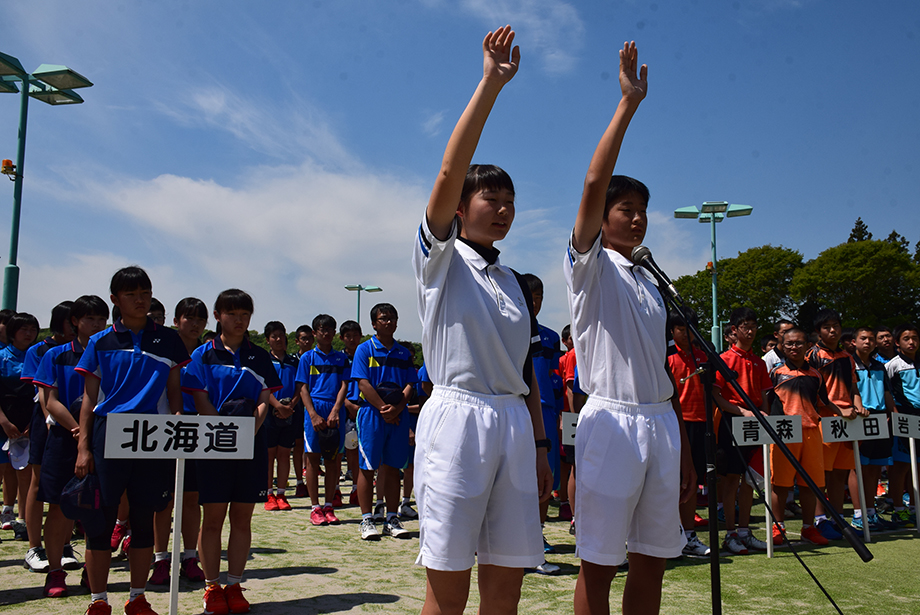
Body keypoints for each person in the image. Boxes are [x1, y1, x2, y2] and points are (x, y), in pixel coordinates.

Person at [411, 25, 552, 615]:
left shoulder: (514, 282)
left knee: (508, 574)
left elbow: (523, 372)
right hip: (458, 418)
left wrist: (541, 445)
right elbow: (448, 172)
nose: (502, 209)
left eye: (510, 201)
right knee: (449, 576)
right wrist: (490, 85)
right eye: (490, 199)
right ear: (462, 208)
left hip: (513, 424)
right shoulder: (441, 261)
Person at [564, 41, 694, 615]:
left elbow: (661, 369)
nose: (637, 217)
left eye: (643, 209)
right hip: (611, 420)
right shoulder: (589, 264)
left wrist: (684, 448)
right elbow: (594, 184)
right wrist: (628, 105)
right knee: (599, 564)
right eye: (626, 209)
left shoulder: (648, 275)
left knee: (654, 560)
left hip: (661, 420)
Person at [75, 266, 190, 615]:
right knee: (100, 522)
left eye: (145, 293)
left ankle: (136, 597)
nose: (140, 300)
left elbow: (174, 393)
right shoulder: (100, 342)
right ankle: (98, 601)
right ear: (116, 300)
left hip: (153, 438)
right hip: (108, 433)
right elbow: (89, 399)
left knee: (143, 520)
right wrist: (83, 447)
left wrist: (178, 425)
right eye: (131, 295)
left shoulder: (169, 339)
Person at [183, 289, 281, 615]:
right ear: (218, 316)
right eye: (232, 314)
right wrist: (223, 434)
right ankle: (212, 587)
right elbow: (200, 400)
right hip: (213, 446)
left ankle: (235, 584)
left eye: (245, 315)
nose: (239, 321)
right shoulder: (202, 355)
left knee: (242, 519)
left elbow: (265, 398)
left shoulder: (260, 356)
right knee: (212, 520)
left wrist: (249, 431)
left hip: (250, 444)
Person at [34, 295, 109, 596]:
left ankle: (93, 571)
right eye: (89, 318)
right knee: (59, 508)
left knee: (99, 510)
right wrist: (78, 429)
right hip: (65, 439)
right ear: (74, 322)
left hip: (103, 441)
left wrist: (91, 433)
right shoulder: (56, 355)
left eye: (101, 319)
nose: (96, 324)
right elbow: (49, 400)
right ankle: (55, 572)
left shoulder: (112, 355)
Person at [768, 327, 848, 546]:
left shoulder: (815, 374)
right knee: (780, 484)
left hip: (812, 432)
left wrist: (846, 412)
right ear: (782, 346)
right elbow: (766, 404)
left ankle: (808, 528)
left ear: (807, 346)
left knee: (810, 484)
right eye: (789, 344)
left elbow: (824, 402)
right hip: (784, 433)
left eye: (799, 343)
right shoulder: (775, 372)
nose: (794, 347)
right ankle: (778, 527)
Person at [150, 298, 209, 585]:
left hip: (196, 433)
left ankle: (189, 557)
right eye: (189, 318)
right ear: (176, 321)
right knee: (163, 501)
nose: (195, 324)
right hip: (164, 432)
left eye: (201, 319)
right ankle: (160, 560)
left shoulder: (205, 354)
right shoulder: (161, 349)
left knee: (191, 499)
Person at [351, 303, 417, 541]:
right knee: (368, 467)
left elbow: (410, 384)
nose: (388, 322)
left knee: (391, 468)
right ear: (374, 323)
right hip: (371, 414)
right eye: (383, 318)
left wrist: (398, 408)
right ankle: (367, 518)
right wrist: (382, 408)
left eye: (392, 318)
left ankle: (391, 517)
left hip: (398, 417)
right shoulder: (364, 349)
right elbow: (362, 383)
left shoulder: (403, 353)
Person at [711, 307, 771, 555]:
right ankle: (730, 533)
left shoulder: (758, 361)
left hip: (756, 423)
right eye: (745, 327)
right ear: (733, 330)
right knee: (731, 479)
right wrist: (741, 412)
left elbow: (765, 394)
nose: (750, 331)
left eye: (754, 326)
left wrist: (763, 415)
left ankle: (745, 531)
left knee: (751, 480)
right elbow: (716, 395)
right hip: (731, 422)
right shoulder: (723, 360)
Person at [22, 301, 74, 573]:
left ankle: (65, 545)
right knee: (38, 482)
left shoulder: (90, 351)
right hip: (49, 424)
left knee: (70, 488)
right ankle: (34, 547)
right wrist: (52, 421)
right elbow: (42, 394)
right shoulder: (40, 350)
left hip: (75, 424)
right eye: (71, 320)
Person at [805, 308, 867, 539]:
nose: (833, 330)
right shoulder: (813, 355)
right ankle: (820, 519)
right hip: (826, 419)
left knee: (840, 473)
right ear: (818, 331)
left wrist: (857, 404)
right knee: (821, 473)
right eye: (827, 327)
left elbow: (854, 387)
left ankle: (837, 518)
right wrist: (838, 409)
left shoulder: (847, 357)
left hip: (848, 419)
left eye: (836, 326)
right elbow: (815, 393)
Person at [295, 314, 349, 527]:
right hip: (315, 410)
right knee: (313, 460)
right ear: (315, 332)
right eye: (322, 329)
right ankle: (315, 507)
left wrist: (336, 410)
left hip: (335, 411)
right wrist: (313, 414)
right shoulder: (307, 358)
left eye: (330, 329)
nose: (326, 333)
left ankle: (329, 505)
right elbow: (302, 387)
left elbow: (345, 385)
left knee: (333, 460)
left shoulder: (342, 358)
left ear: (334, 333)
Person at [666, 310, 711, 557]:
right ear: (671, 332)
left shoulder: (703, 356)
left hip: (701, 423)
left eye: (690, 327)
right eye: (681, 328)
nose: (686, 333)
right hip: (675, 424)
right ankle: (670, 533)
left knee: (692, 481)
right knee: (672, 482)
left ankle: (689, 535)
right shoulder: (668, 358)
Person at [850, 326, 896, 531]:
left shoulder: (880, 366)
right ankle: (858, 515)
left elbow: (886, 392)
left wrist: (890, 412)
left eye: (870, 339)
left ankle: (871, 512)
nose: (867, 342)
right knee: (857, 467)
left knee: (875, 468)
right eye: (863, 339)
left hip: (880, 419)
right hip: (859, 418)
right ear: (854, 342)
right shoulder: (849, 364)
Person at [0, 312, 40, 545]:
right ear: (13, 332)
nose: (29, 333)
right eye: (23, 329)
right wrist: (4, 422)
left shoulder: (39, 356)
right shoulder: (2, 357)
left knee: (26, 476)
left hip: (28, 426)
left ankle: (22, 522)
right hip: (3, 422)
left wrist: (30, 425)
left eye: (33, 329)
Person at [885, 323, 920, 527]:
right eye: (906, 338)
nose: (911, 342)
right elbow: (887, 392)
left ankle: (916, 507)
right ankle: (898, 508)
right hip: (904, 418)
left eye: (915, 338)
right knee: (902, 465)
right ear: (897, 343)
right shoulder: (893, 365)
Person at [263, 321, 299, 513]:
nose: (278, 339)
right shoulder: (264, 360)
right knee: (269, 455)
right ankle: (269, 494)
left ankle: (282, 494)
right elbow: (262, 387)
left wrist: (290, 406)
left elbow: (301, 386)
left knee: (284, 455)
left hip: (290, 413)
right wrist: (277, 405)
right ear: (268, 340)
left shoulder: (295, 361)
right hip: (270, 413)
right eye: (274, 336)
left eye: (281, 335)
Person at [338, 320, 363, 505]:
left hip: (365, 408)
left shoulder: (367, 355)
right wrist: (347, 405)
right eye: (348, 336)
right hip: (343, 409)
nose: (352, 339)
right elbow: (336, 386)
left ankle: (357, 488)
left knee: (364, 452)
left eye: (355, 335)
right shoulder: (338, 359)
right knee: (345, 450)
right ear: (341, 338)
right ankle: (336, 490)